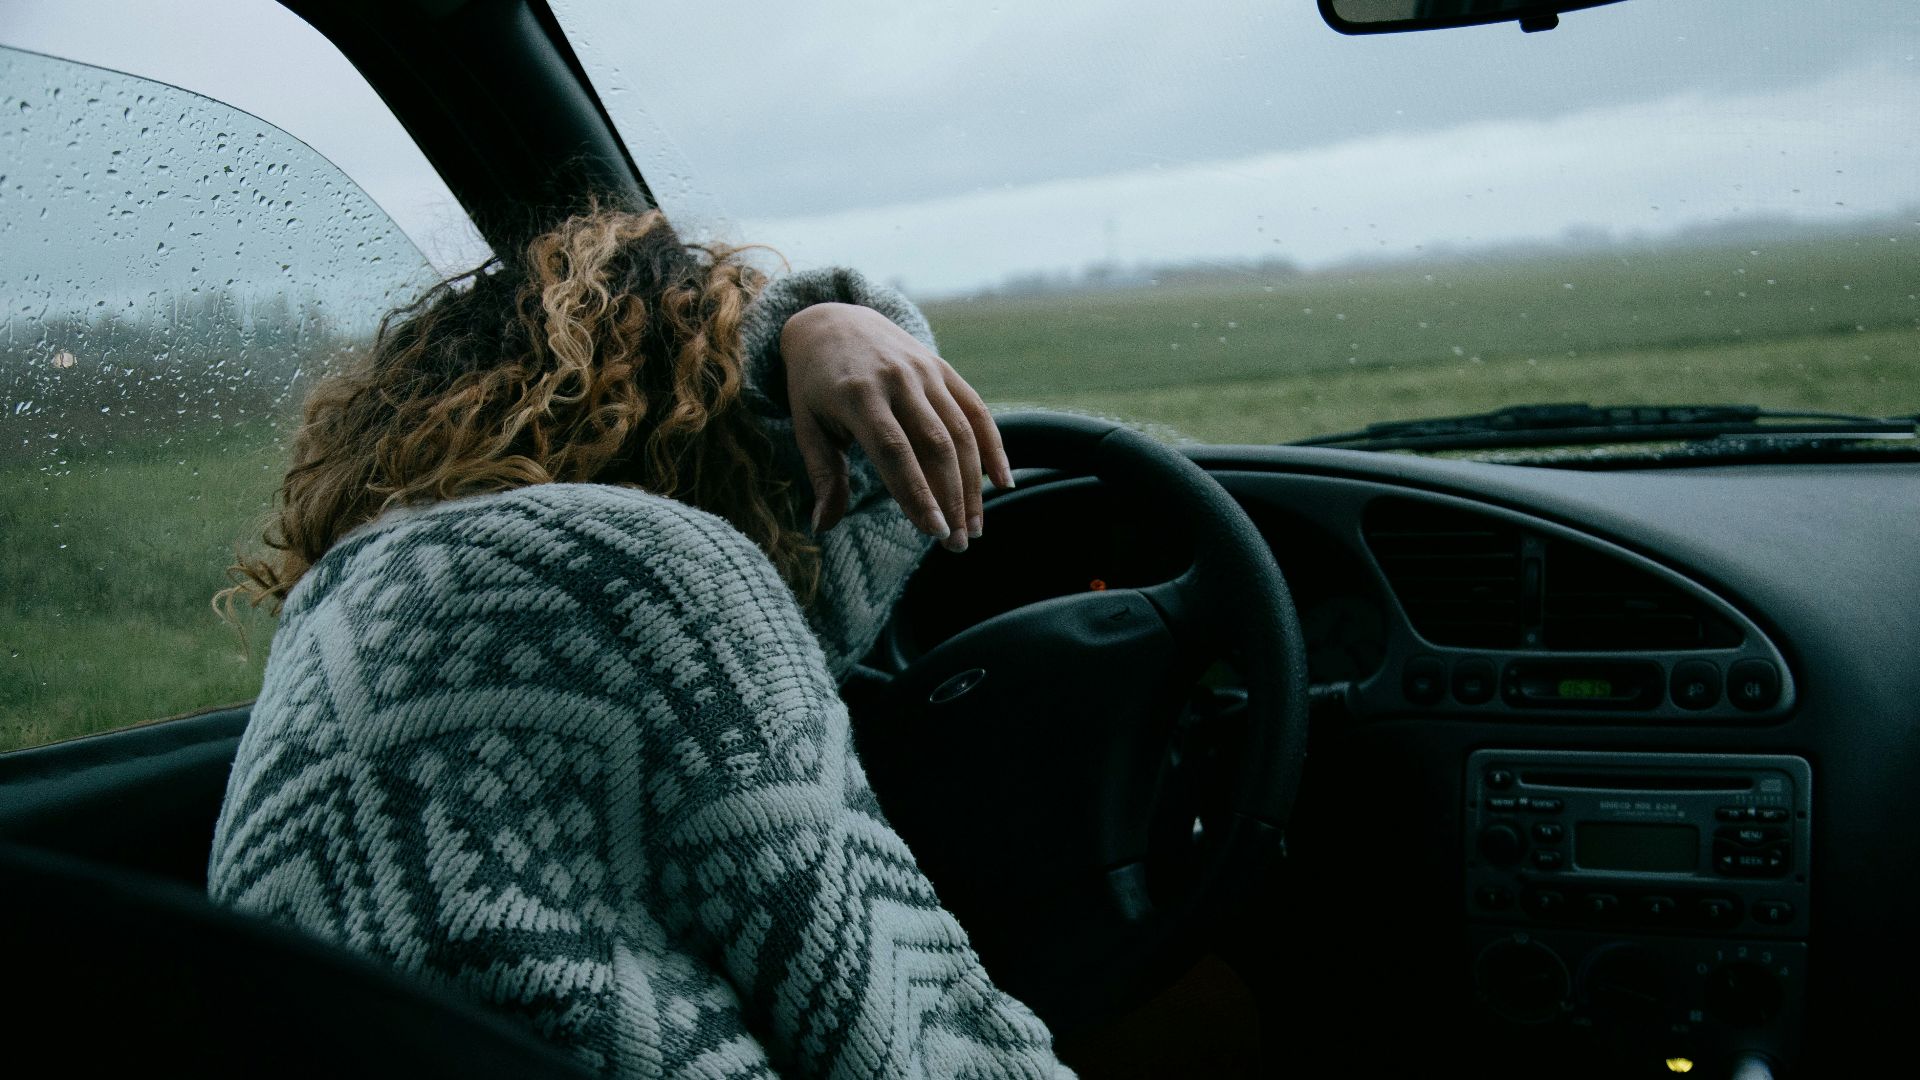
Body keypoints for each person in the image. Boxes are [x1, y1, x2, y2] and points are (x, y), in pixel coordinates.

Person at [207, 204, 1073, 1078]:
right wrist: (827, 323)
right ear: (715, 426)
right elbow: (897, 1028)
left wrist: (817, 321)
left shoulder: (339, 608)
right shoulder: (655, 576)